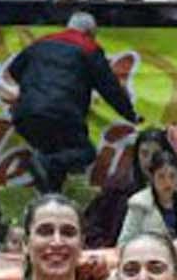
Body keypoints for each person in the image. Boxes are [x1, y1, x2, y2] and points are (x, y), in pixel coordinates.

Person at [7, 13, 135, 189]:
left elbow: (14, 69)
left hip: (25, 113)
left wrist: (32, 87)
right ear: (90, 33)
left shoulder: (41, 43)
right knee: (84, 153)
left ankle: (50, 194)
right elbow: (110, 89)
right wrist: (130, 114)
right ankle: (45, 165)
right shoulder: (89, 48)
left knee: (53, 161)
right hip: (62, 114)